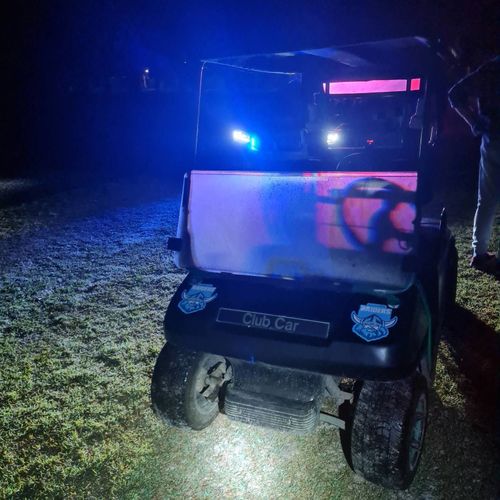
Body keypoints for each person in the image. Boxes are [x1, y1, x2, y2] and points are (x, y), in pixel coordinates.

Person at [448, 54, 499, 274]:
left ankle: (479, 254)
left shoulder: (491, 68)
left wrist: (476, 123)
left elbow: (454, 95)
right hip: (492, 138)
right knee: (486, 200)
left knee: (486, 200)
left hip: (492, 140)